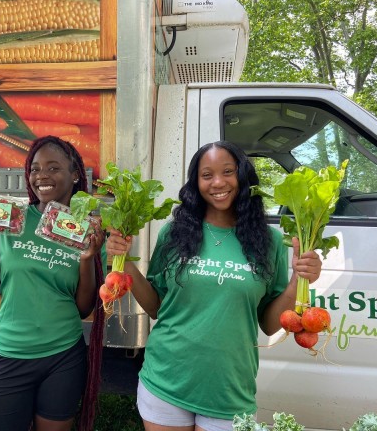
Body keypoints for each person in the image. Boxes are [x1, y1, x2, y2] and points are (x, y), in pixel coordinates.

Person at [106, 140, 323, 431]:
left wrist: (299, 279)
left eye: (228, 172)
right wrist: (125, 262)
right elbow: (156, 307)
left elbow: (270, 326)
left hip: (229, 391)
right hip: (166, 380)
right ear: (196, 183)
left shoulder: (268, 241)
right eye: (206, 175)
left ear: (242, 176)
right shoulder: (175, 232)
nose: (218, 182)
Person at [0, 136, 106, 431]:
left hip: (63, 357)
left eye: (53, 168)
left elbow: (84, 308)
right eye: (35, 169)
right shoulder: (12, 218)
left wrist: (87, 258)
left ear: (75, 175)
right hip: (11, 354)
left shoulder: (84, 227)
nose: (42, 176)